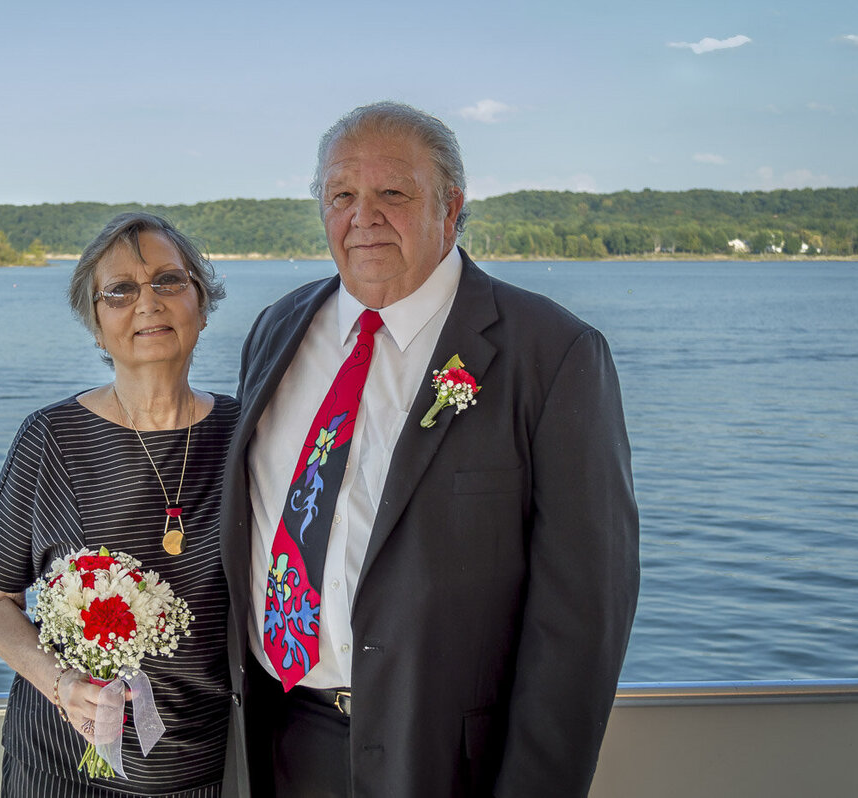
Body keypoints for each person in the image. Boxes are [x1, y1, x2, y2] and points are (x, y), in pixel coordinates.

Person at [220, 102, 640, 797]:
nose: (364, 216)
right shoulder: (278, 328)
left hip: (447, 761)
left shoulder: (553, 353)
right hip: (279, 743)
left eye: (393, 193)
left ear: (452, 207)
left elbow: (582, 620)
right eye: (342, 195)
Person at [0, 212, 238, 797]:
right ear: (95, 326)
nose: (149, 302)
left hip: (212, 767)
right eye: (120, 290)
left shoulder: (250, 435)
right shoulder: (52, 439)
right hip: (63, 767)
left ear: (202, 303)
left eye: (169, 280)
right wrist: (59, 682)